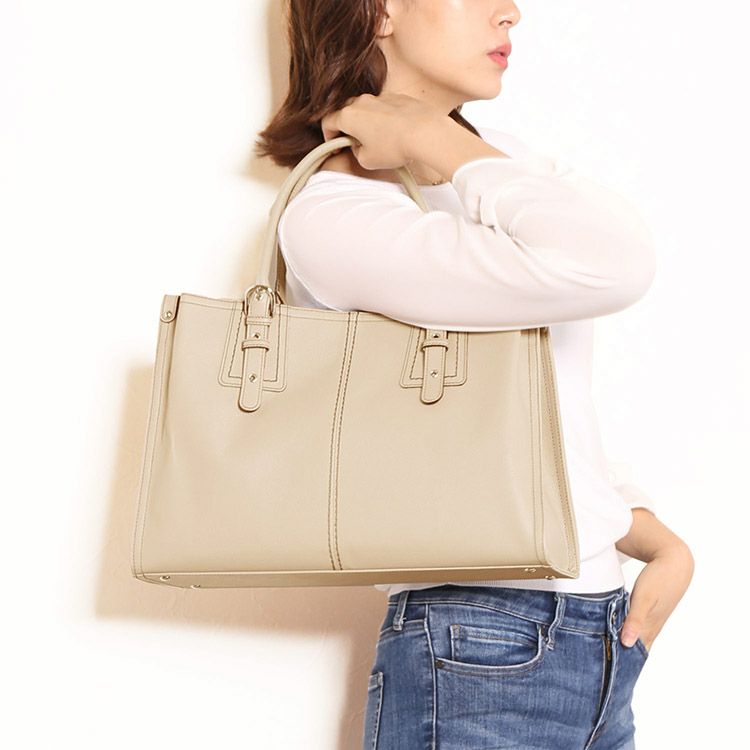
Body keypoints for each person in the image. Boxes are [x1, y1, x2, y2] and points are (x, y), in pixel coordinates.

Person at [254, 1, 695, 748]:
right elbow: (616, 265)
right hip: (478, 645)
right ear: (379, 10)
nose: (511, 12)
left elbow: (540, 410)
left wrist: (651, 538)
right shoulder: (337, 213)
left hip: (599, 634)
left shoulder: (496, 171)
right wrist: (427, 135)